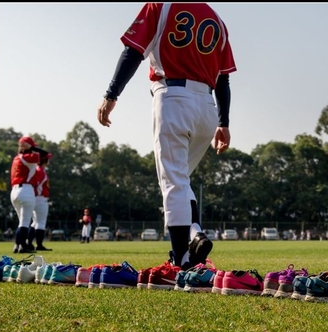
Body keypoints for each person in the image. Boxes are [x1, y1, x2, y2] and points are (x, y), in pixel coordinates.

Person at [97, 2, 237, 270]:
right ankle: (195, 232)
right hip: (207, 107)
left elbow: (134, 51)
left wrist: (111, 94)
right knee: (181, 179)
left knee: (173, 182)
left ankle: (181, 260)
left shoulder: (160, 5)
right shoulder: (216, 18)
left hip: (173, 96)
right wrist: (224, 122)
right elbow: (223, 80)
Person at [10, 136, 49, 253]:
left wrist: (25, 145)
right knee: (25, 221)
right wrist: (31, 147)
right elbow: (44, 154)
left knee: (21, 221)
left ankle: (17, 246)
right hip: (26, 190)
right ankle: (23, 246)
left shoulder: (16, 158)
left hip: (14, 191)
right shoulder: (29, 157)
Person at [27, 152, 53, 251]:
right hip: (40, 197)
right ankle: (39, 244)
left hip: (36, 197)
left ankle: (29, 243)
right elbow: (37, 185)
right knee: (41, 223)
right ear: (44, 160)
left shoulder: (39, 170)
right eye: (47, 159)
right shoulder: (40, 170)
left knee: (35, 223)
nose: (49, 160)